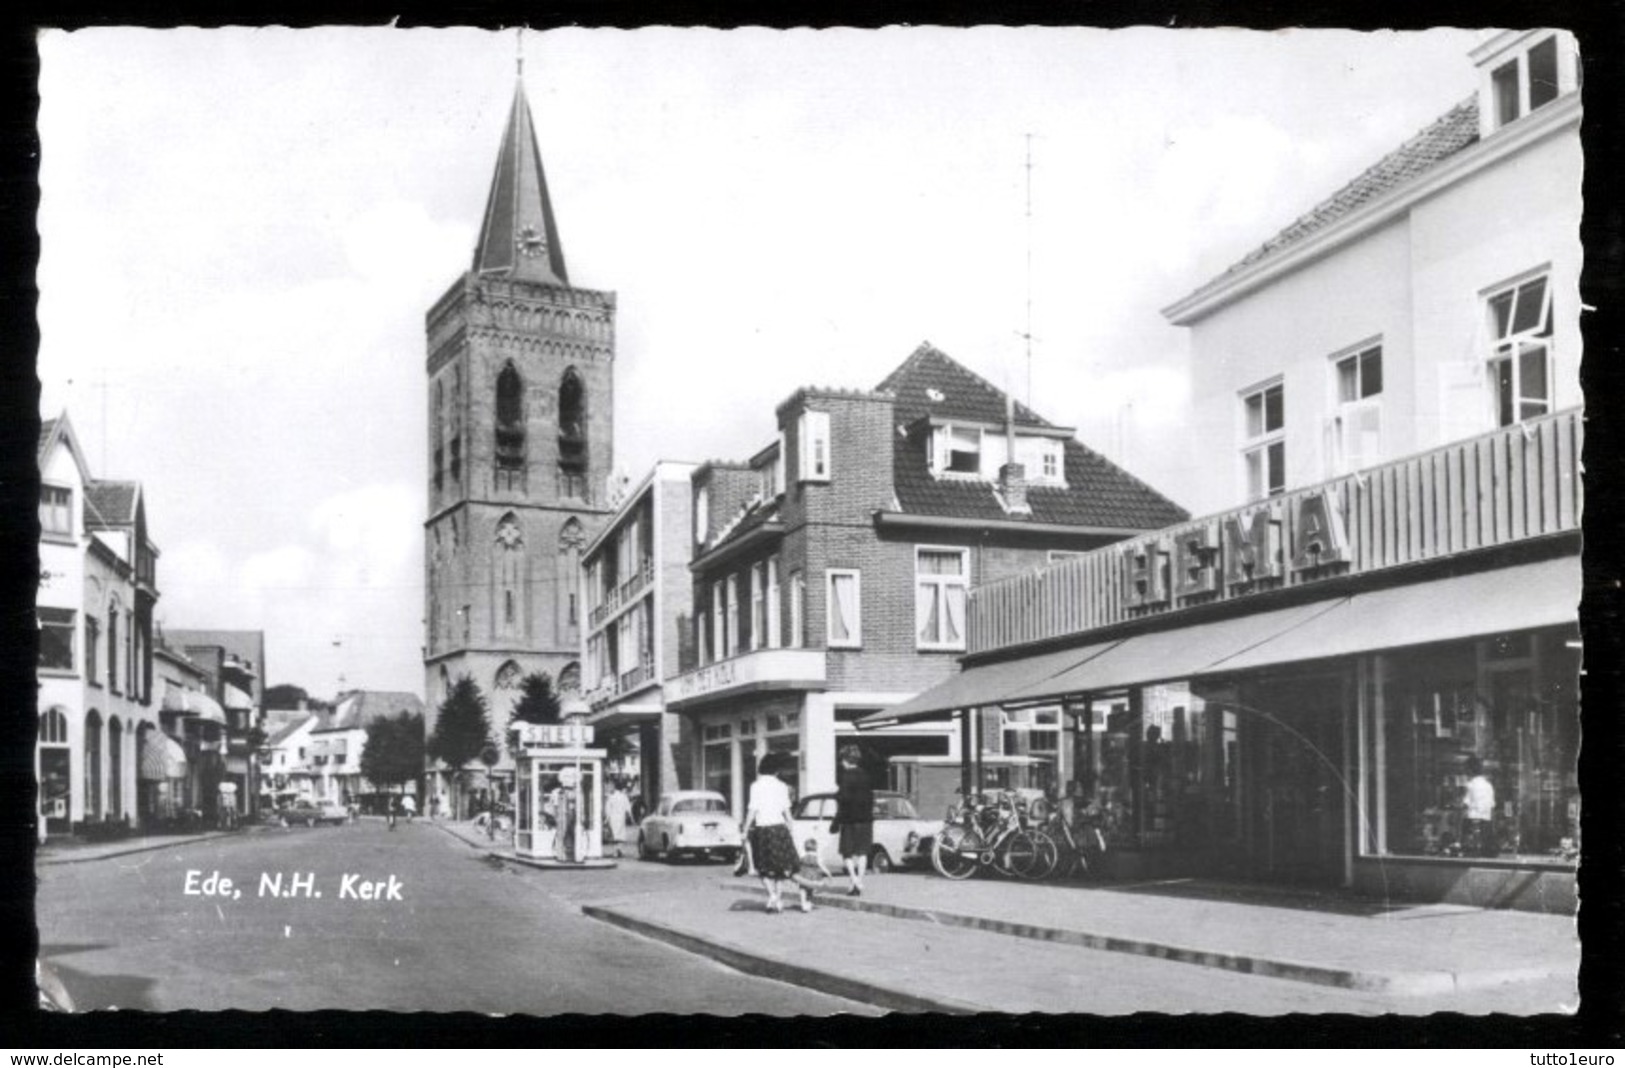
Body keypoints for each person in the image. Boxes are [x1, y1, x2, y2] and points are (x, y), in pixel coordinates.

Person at [742, 752, 800, 913]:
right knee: (780, 868)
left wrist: (745, 829)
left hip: (763, 829)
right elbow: (786, 810)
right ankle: (778, 899)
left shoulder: (755, 786)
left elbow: (752, 810)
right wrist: (791, 828)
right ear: (777, 770)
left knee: (762, 867)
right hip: (780, 828)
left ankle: (772, 895)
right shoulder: (782, 786)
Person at [831, 744, 875, 897]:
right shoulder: (866, 775)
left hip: (849, 820)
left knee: (847, 853)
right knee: (863, 852)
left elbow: (843, 799)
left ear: (845, 759)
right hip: (866, 820)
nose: (841, 763)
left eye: (841, 759)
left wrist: (836, 821)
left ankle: (854, 880)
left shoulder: (845, 776)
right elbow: (870, 798)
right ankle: (859, 882)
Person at [1462, 756, 1496, 858]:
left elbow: (1465, 803)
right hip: (1486, 823)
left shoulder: (1470, 785)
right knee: (1484, 854)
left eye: (1466, 769)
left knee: (1470, 852)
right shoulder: (1488, 785)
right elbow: (1492, 805)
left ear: (1470, 769)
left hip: (1472, 822)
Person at [789, 837, 833, 913]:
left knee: (803, 890)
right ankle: (808, 903)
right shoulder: (817, 856)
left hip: (803, 875)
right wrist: (829, 874)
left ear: (805, 847)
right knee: (810, 890)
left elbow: (797, 864)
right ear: (816, 847)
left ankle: (803, 904)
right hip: (814, 876)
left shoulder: (802, 855)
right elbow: (822, 866)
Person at [603, 780, 633, 858]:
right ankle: (619, 849)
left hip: (613, 818)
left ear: (615, 787)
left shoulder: (611, 797)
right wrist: (629, 816)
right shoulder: (623, 796)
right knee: (620, 835)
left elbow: (608, 808)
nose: (610, 788)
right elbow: (628, 808)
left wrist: (606, 818)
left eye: (611, 787)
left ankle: (616, 851)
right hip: (621, 818)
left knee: (614, 836)